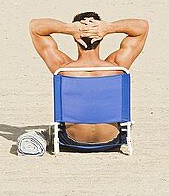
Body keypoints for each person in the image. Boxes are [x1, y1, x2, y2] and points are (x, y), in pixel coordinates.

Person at [29, 10, 149, 145]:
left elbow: (35, 27)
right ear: (101, 36)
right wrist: (109, 27)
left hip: (72, 141)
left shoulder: (63, 68)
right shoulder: (117, 67)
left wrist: (69, 28)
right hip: (111, 140)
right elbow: (142, 27)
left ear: (75, 37)